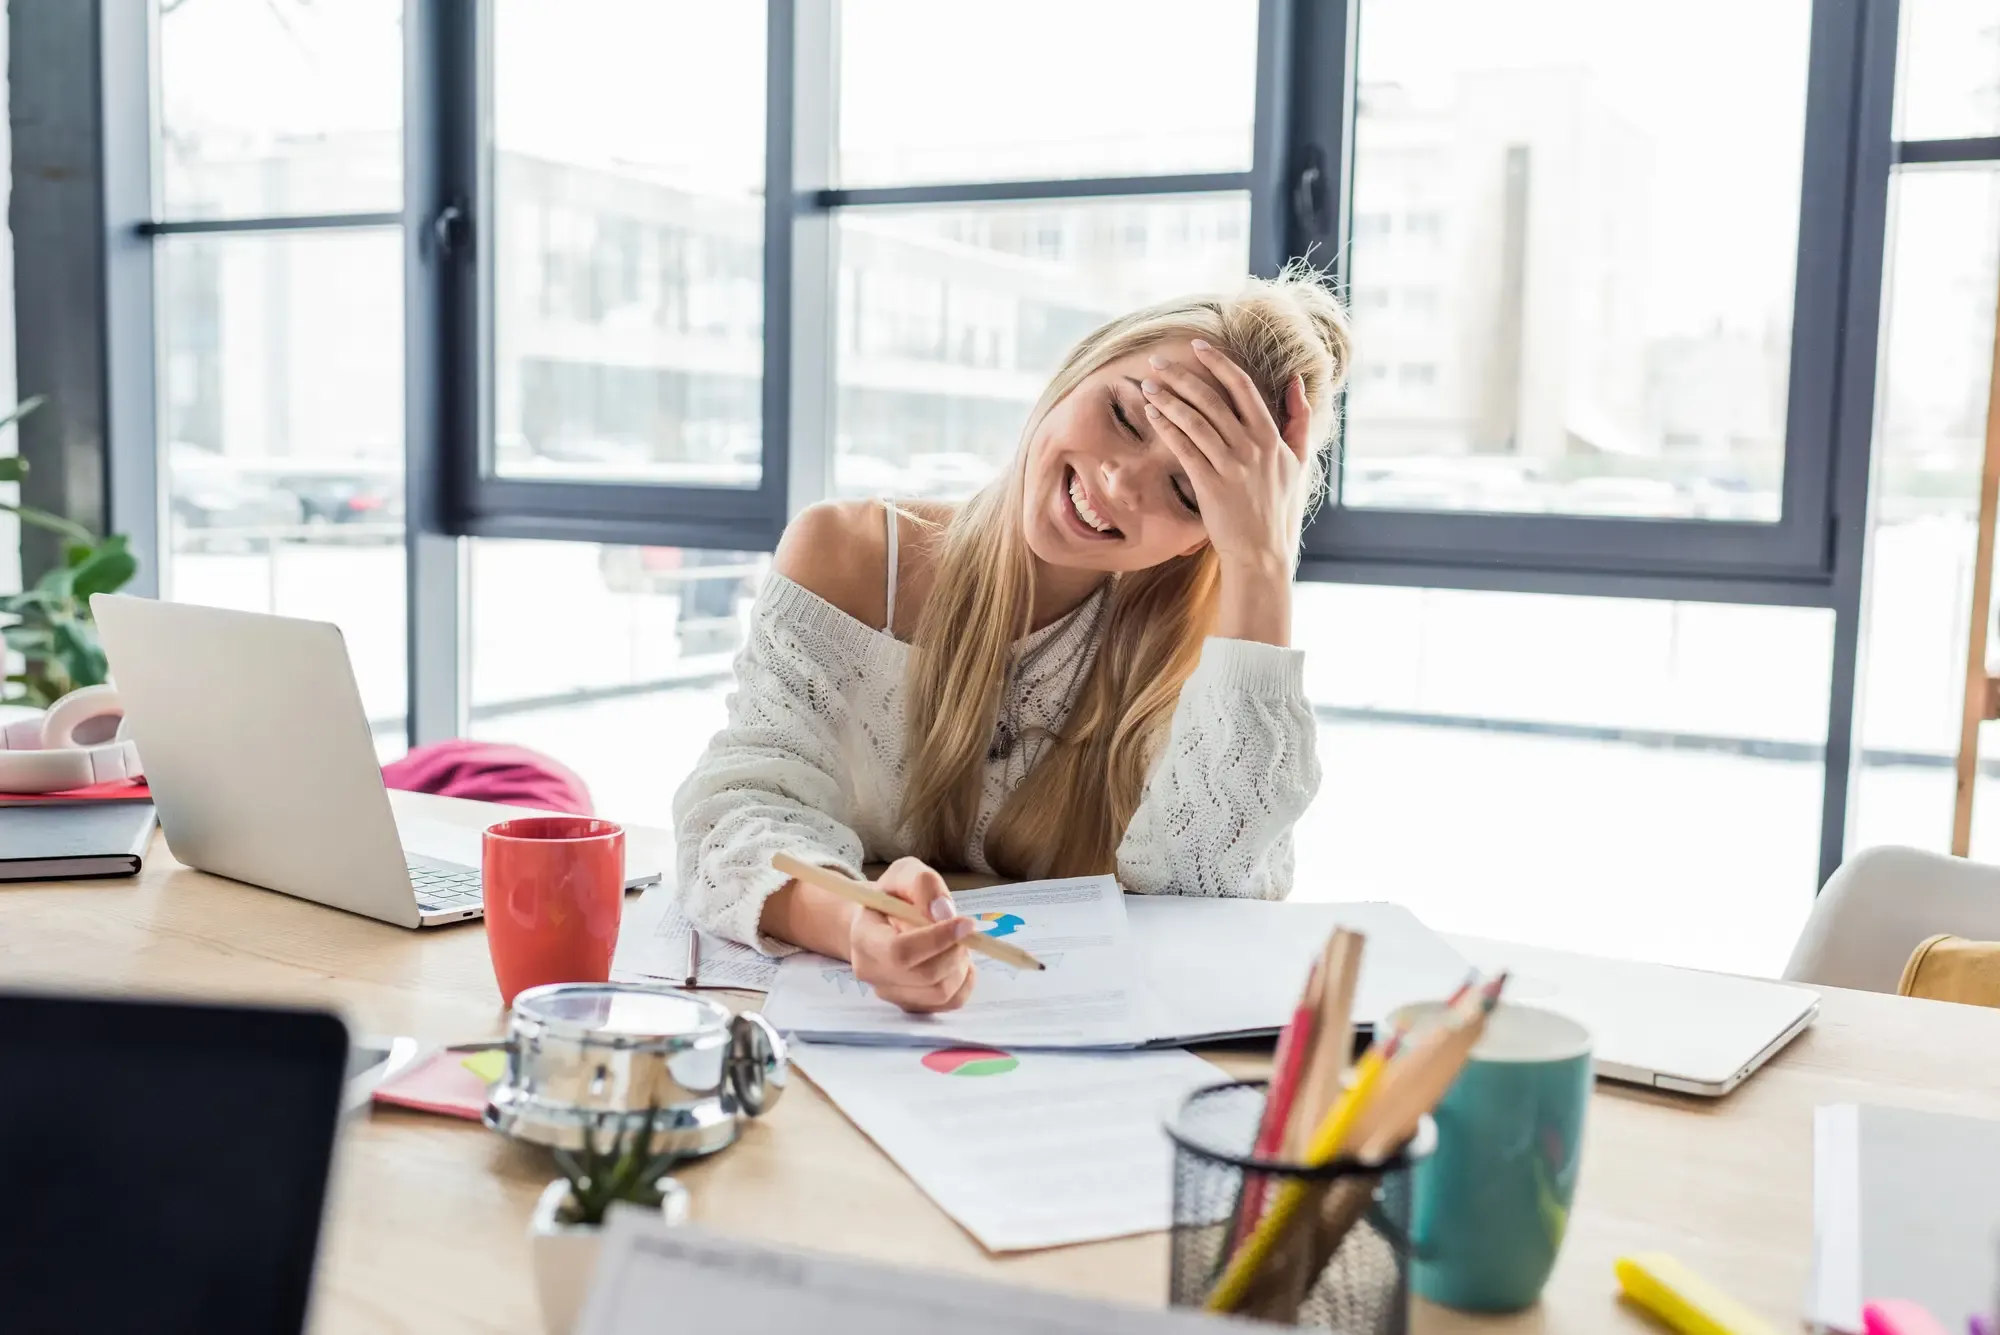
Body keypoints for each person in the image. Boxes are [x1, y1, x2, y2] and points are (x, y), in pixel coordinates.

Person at [674, 266, 1349, 1013]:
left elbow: (1208, 904)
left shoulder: (1204, 667)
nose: (1121, 481)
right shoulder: (848, 556)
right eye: (1125, 416)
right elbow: (734, 818)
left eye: (1189, 490)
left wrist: (1260, 565)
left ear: (1206, 537)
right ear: (1078, 369)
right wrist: (855, 926)